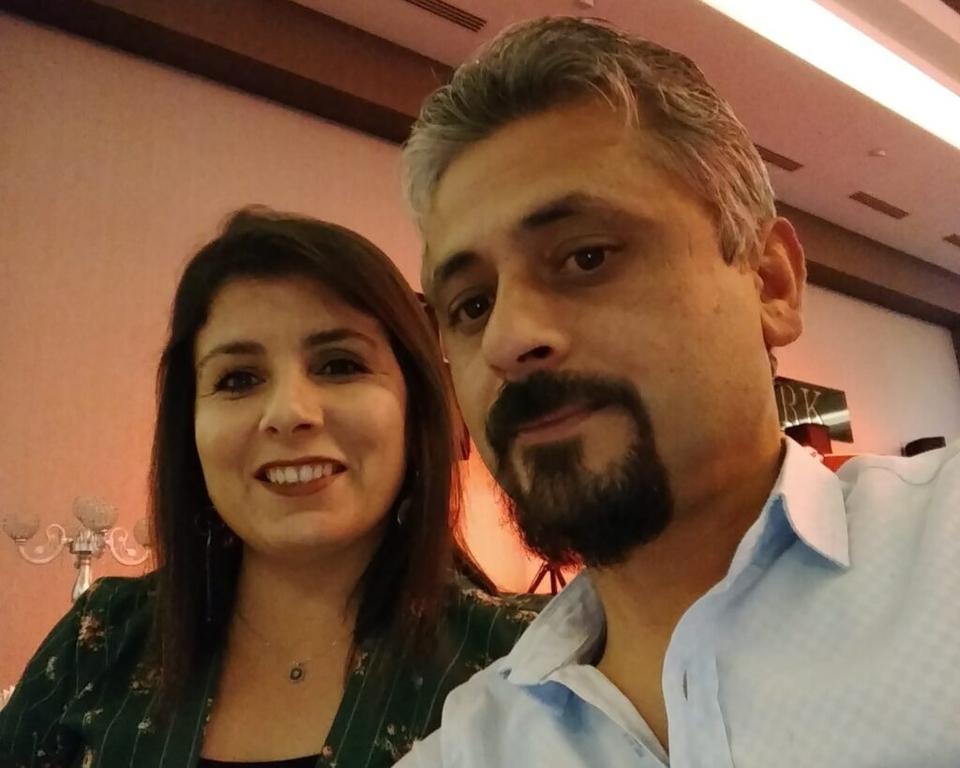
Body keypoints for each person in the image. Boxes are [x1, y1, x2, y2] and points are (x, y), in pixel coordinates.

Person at [398, 16, 960, 768]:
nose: (507, 339)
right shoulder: (470, 749)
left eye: (586, 257)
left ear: (770, 283)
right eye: (471, 306)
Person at [0, 209, 540, 767]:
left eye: (339, 365)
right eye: (238, 379)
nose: (288, 413)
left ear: (414, 407)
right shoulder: (99, 645)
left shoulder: (526, 665)